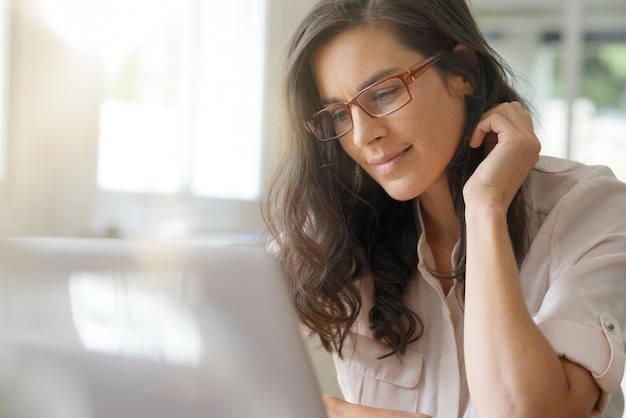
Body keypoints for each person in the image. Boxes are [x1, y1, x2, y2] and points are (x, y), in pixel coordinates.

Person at [260, 0, 626, 417]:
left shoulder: (595, 210)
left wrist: (485, 205)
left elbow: (529, 412)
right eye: (339, 114)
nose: (363, 136)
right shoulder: (330, 231)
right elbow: (216, 374)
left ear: (462, 73)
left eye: (384, 93)